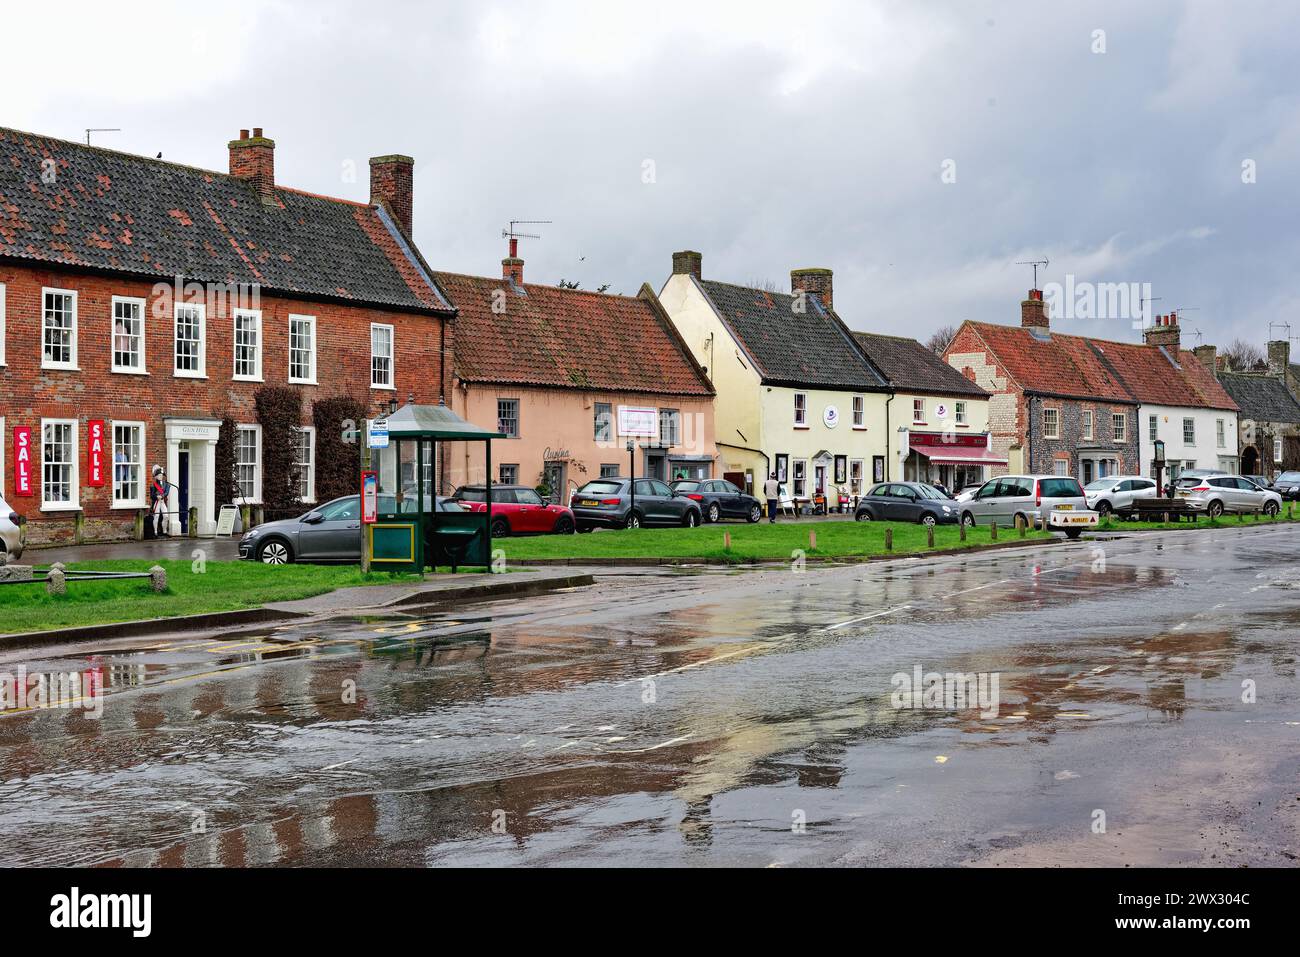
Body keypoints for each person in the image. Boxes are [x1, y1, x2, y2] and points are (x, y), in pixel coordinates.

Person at [149, 465, 170, 538]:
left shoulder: (167, 484)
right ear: (156, 476)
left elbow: (167, 492)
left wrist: (162, 496)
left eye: (161, 475)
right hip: (156, 502)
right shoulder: (153, 485)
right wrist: (156, 496)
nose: (161, 476)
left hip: (162, 501)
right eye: (159, 475)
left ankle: (164, 531)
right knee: (156, 516)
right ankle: (155, 532)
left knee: (166, 516)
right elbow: (151, 495)